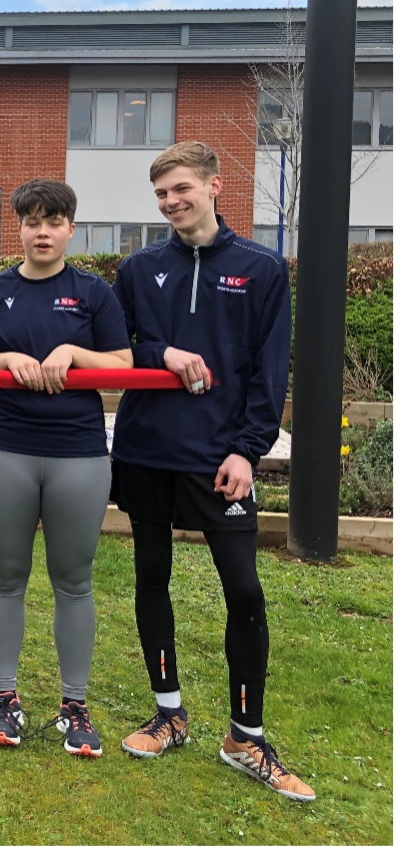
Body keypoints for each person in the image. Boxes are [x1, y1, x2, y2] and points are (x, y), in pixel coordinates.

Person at [110, 141, 314, 801]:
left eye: (181, 189)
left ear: (213, 185)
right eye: (162, 193)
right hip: (145, 449)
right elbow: (122, 346)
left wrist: (246, 451)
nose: (171, 202)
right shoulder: (140, 268)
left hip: (219, 458)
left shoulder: (259, 269)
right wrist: (163, 351)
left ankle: (246, 737)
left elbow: (268, 369)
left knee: (246, 593)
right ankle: (168, 713)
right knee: (151, 576)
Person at [0, 179, 130, 757]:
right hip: (6, 449)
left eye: (54, 222)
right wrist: (6, 358)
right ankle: (5, 698)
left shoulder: (93, 294)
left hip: (78, 452)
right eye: (32, 221)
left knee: (74, 582)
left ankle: (73, 706)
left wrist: (73, 354)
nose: (42, 231)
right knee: (6, 577)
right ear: (19, 229)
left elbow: (123, 364)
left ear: (70, 229)